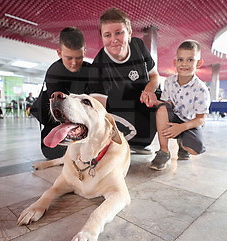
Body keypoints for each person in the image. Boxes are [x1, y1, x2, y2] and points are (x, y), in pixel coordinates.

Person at [88, 8, 160, 155]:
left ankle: (145, 146)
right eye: (107, 35)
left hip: (141, 104)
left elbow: (155, 76)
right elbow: (99, 111)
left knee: (164, 110)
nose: (114, 39)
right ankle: (119, 145)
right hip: (118, 111)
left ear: (129, 33)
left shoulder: (138, 46)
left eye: (119, 32)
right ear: (102, 37)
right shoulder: (98, 67)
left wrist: (149, 90)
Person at [150, 40, 210, 171]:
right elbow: (167, 104)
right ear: (175, 62)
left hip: (190, 123)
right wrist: (154, 101)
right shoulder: (169, 81)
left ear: (199, 63)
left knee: (195, 149)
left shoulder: (201, 89)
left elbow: (201, 119)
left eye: (190, 60)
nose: (184, 64)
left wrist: (181, 128)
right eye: (180, 59)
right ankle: (164, 151)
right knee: (161, 110)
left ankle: (183, 145)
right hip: (174, 118)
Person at [40, 27, 90, 159]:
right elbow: (59, 109)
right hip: (59, 119)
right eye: (69, 58)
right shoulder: (53, 71)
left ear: (85, 52)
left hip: (86, 119)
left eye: (78, 58)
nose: (74, 63)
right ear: (59, 53)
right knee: (52, 153)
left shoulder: (92, 70)